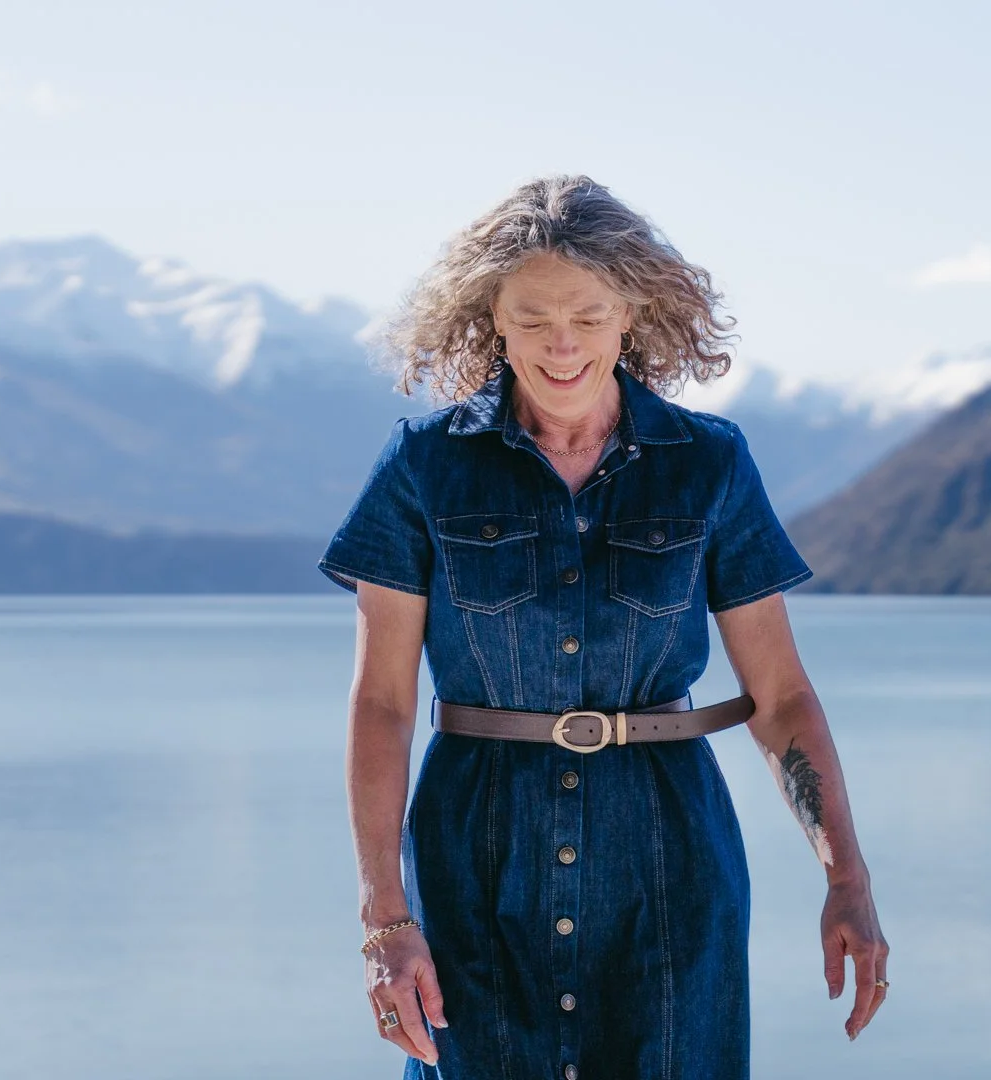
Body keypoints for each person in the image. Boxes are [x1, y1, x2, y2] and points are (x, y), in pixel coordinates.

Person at [316, 174, 888, 1079]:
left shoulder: (711, 465)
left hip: (670, 866)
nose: (562, 342)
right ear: (491, 320)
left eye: (587, 313)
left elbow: (779, 698)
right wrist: (384, 918)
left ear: (632, 313)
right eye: (533, 317)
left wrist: (845, 876)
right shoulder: (423, 465)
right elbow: (382, 702)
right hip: (474, 866)